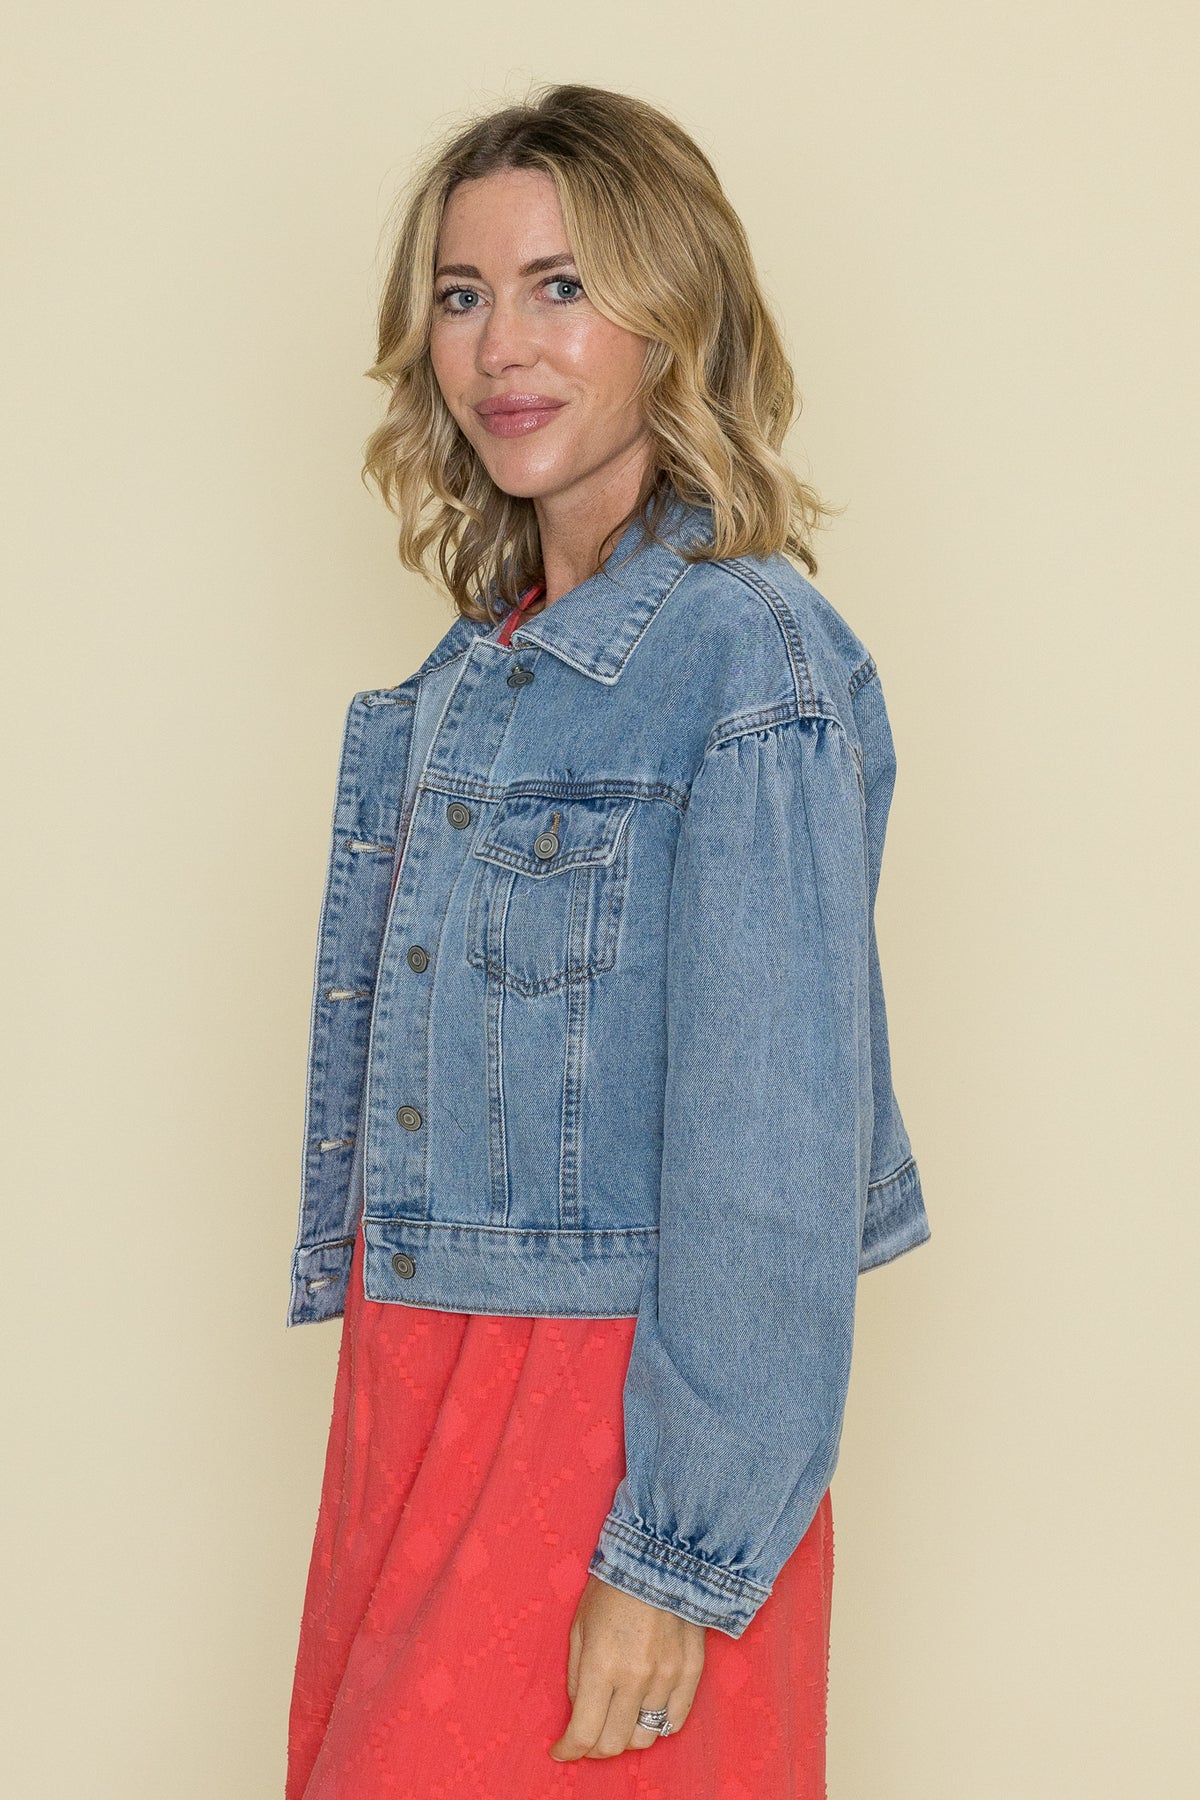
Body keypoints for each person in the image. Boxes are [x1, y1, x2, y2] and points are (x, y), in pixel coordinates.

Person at [284, 81, 930, 1798]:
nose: (501, 344)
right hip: (424, 1384)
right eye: (463, 293)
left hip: (606, 1428)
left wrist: (675, 1556)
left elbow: (771, 1155)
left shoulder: (746, 660)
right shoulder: (476, 671)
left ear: (673, 318)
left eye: (562, 286)